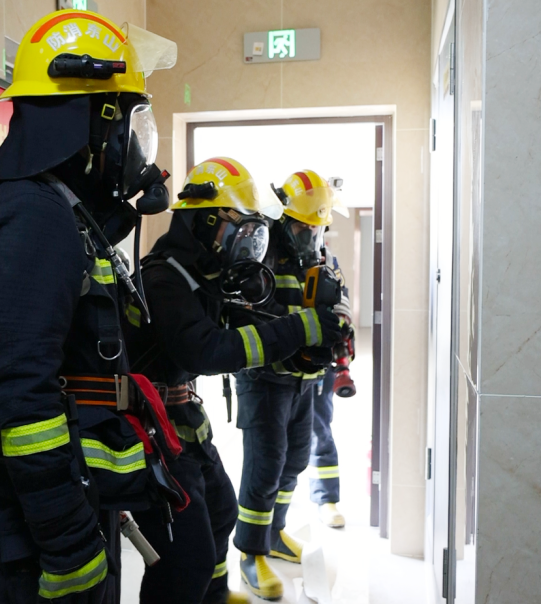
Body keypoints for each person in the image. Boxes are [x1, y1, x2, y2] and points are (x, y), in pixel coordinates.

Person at [0, 10, 181, 603]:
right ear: (94, 119)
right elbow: (20, 391)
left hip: (70, 503)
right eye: (129, 120)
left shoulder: (52, 209)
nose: (134, 144)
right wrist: (70, 544)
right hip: (48, 542)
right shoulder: (34, 214)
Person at [124, 157, 343, 604]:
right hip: (150, 427)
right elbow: (207, 350)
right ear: (207, 222)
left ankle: (216, 596)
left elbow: (241, 320)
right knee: (187, 555)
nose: (245, 244)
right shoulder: (163, 278)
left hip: (182, 416)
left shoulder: (198, 277)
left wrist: (310, 338)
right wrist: (301, 329)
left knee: (222, 511)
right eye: (238, 230)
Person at [232, 169, 346, 600]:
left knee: (295, 459)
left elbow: (333, 300)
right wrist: (303, 327)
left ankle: (275, 532)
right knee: (265, 465)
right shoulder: (259, 253)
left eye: (317, 228)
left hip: (304, 380)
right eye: (302, 228)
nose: (310, 235)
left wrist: (339, 325)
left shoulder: (318, 255)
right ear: (284, 221)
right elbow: (246, 313)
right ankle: (251, 552)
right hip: (265, 379)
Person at [309, 251, 354, 529]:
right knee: (277, 441)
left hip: (319, 357)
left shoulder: (327, 259)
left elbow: (342, 301)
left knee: (320, 428)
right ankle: (275, 509)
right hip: (279, 360)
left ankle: (326, 499)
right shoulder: (269, 247)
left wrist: (343, 329)